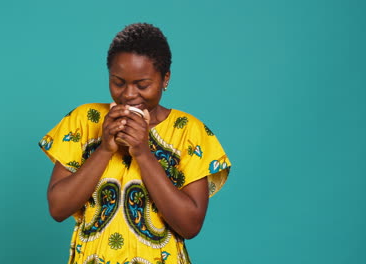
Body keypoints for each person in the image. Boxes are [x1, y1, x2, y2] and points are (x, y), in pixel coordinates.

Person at [39, 23, 231, 264]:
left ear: (165, 79)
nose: (129, 94)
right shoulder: (83, 121)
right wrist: (105, 149)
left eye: (142, 85)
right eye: (118, 82)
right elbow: (58, 209)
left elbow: (190, 225)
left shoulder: (189, 132)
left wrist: (143, 153)